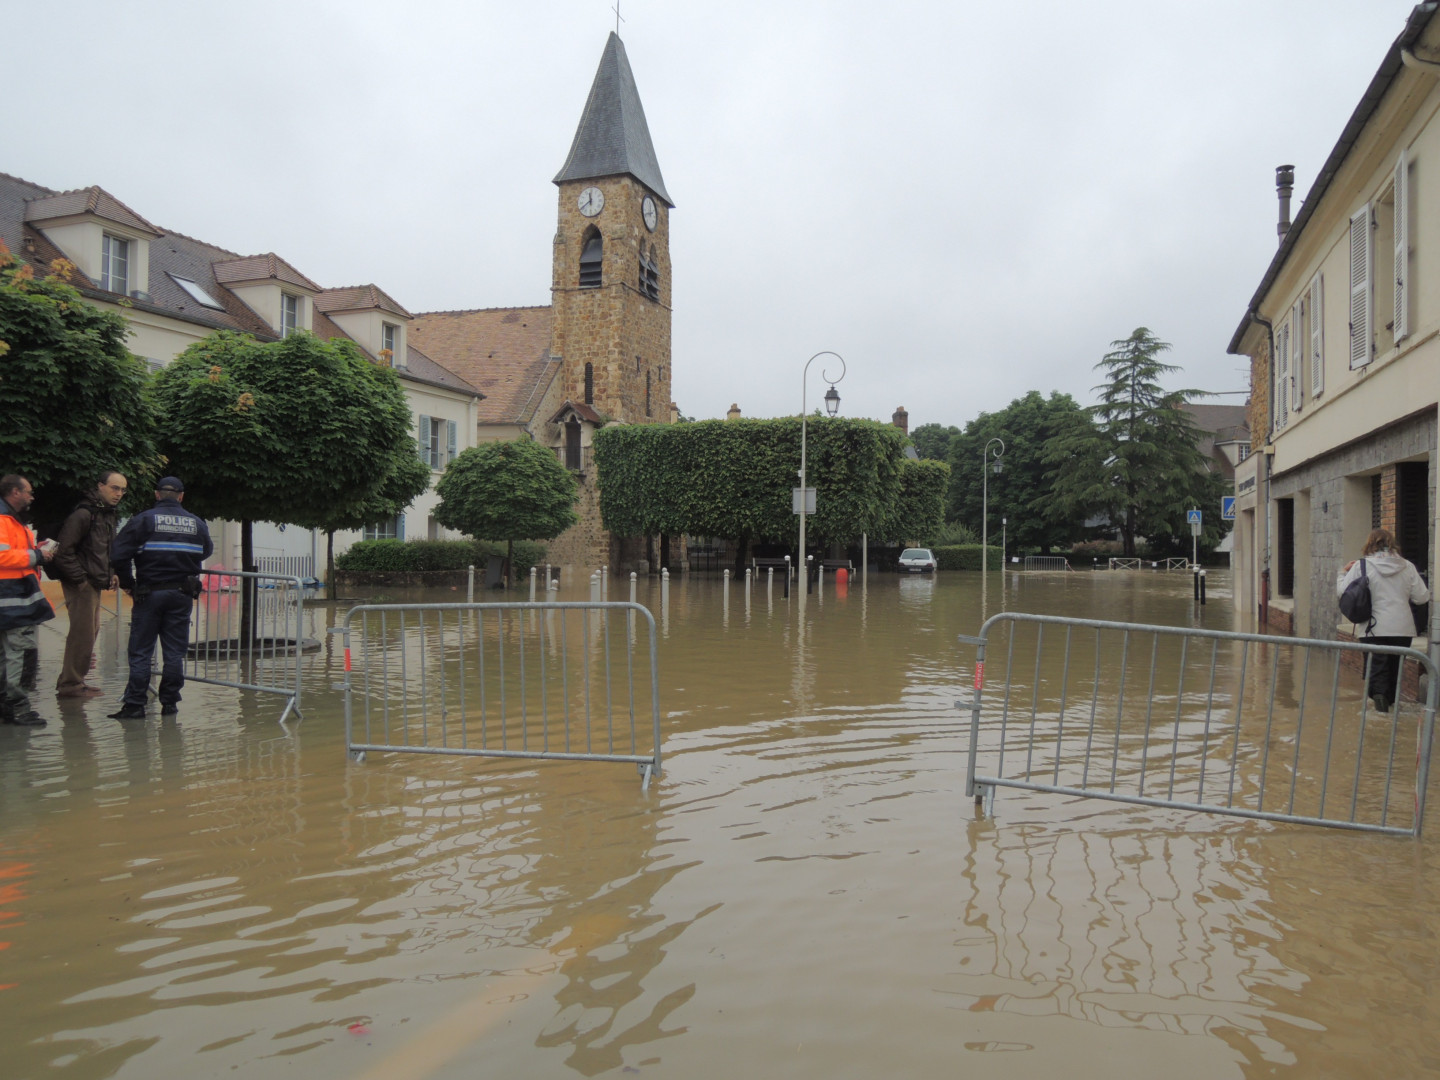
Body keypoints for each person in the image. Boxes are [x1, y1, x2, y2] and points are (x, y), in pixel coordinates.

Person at [108, 477, 212, 719]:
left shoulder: (143, 520)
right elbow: (206, 550)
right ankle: (170, 704)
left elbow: (118, 555)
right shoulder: (197, 523)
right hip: (182, 595)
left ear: (157, 495)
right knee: (174, 653)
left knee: (141, 651)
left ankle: (135, 705)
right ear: (181, 497)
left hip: (149, 594)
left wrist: (128, 584)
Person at [1336, 527, 1429, 713]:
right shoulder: (1408, 566)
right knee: (1395, 667)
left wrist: (1342, 573)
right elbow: (1422, 597)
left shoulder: (1361, 566)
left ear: (1370, 544)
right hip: (1402, 628)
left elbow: (1343, 592)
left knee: (1376, 666)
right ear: (1392, 544)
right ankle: (1390, 703)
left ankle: (1378, 698)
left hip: (1373, 628)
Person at [53, 470, 126, 698]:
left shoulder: (107, 513)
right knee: (82, 633)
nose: (119, 494)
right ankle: (71, 685)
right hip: (82, 581)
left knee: (90, 631)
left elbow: (106, 547)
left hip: (93, 579)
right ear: (100, 486)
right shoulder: (84, 514)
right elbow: (63, 551)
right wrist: (81, 580)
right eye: (115, 488)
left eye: (123, 490)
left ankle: (73, 680)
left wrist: (112, 571)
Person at [0, 475, 57, 727]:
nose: (32, 496)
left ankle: (7, 708)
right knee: (21, 655)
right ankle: (19, 709)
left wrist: (36, 550)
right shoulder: (5, 521)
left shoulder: (12, 521)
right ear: (15, 492)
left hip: (11, 600)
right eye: (29, 492)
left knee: (7, 656)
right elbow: (3, 557)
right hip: (14, 601)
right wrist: (36, 555)